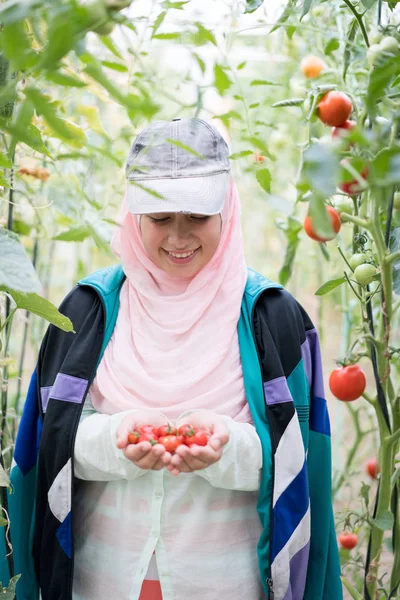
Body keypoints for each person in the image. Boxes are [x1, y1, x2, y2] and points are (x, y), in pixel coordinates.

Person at [1, 118, 343, 600]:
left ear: (227, 209)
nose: (179, 238)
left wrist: (226, 449)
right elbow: (52, 440)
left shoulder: (274, 320)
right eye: (160, 219)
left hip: (226, 582)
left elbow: (297, 465)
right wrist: (115, 442)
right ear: (132, 214)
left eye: (197, 217)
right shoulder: (86, 311)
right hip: (101, 579)